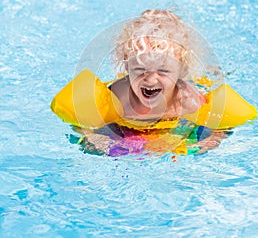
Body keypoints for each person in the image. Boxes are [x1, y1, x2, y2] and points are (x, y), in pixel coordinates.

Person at [80, 9, 228, 155]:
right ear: (127, 65)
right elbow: (82, 121)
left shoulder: (188, 100)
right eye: (139, 69)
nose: (150, 80)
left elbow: (219, 125)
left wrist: (215, 138)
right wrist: (92, 137)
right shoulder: (118, 98)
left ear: (182, 71)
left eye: (163, 71)